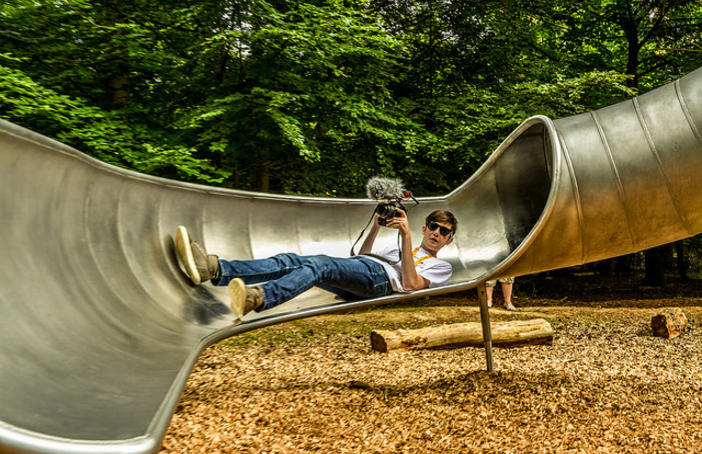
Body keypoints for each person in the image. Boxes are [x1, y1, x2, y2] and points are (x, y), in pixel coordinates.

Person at [175, 209, 457, 319]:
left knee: (319, 265)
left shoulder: (441, 268)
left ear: (448, 241)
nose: (437, 233)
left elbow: (410, 284)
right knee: (295, 261)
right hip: (364, 269)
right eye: (434, 226)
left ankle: (258, 297)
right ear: (425, 227)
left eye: (444, 232)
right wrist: (375, 227)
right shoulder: (395, 243)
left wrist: (405, 235)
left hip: (380, 282)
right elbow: (361, 254)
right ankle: (216, 270)